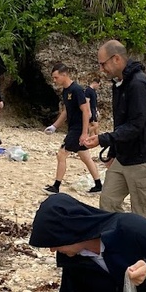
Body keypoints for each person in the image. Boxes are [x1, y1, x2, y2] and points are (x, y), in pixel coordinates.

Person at [81, 40, 146, 219]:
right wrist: (113, 152)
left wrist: (103, 139)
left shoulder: (138, 83)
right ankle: (119, 238)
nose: (101, 69)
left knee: (142, 212)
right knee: (108, 202)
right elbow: (121, 122)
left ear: (116, 59)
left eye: (103, 64)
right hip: (123, 156)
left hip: (142, 157)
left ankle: (142, 244)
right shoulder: (119, 83)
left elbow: (136, 125)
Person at [44, 63, 102, 195]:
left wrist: (83, 133)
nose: (54, 80)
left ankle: (56, 186)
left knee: (61, 154)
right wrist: (54, 126)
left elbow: (86, 111)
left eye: (56, 77)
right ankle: (98, 185)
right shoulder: (66, 91)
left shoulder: (76, 90)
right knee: (86, 157)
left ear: (64, 75)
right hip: (73, 128)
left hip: (77, 129)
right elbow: (66, 111)